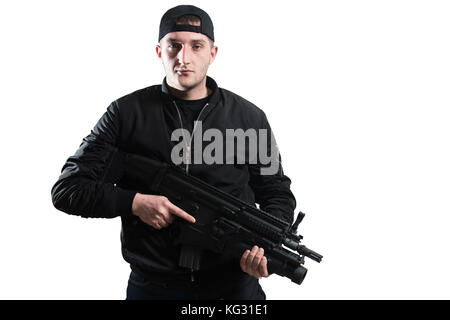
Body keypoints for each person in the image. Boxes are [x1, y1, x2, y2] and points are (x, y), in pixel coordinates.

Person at [51, 4, 296, 300]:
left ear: (213, 53)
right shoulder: (125, 114)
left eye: (196, 46)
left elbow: (276, 192)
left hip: (233, 287)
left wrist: (264, 249)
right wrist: (133, 202)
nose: (184, 58)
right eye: (174, 45)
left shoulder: (249, 118)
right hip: (152, 287)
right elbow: (68, 189)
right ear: (159, 51)